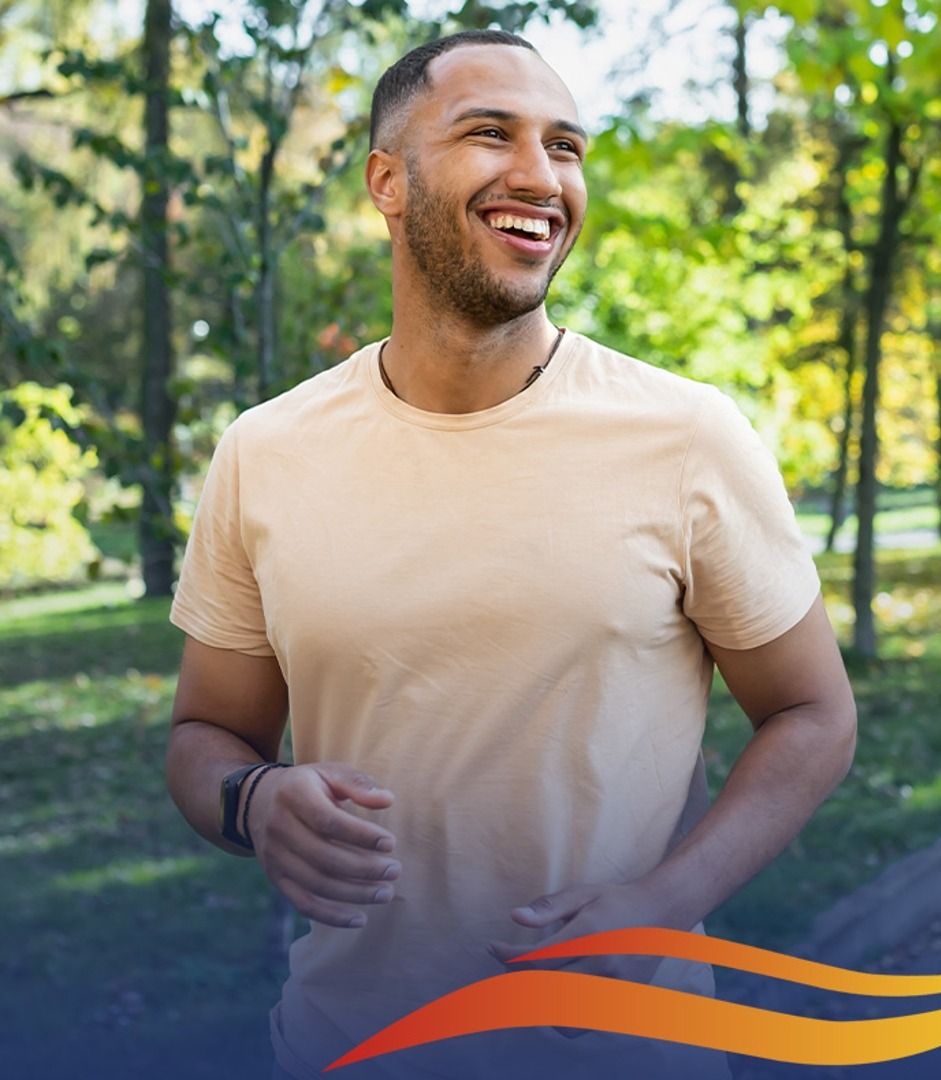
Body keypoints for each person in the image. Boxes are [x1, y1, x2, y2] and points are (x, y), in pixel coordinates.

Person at [165, 28, 857, 1080]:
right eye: (492, 134)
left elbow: (814, 714)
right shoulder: (264, 452)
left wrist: (663, 903)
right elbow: (206, 733)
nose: (541, 176)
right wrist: (252, 803)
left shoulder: (684, 436)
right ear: (387, 183)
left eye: (566, 147)